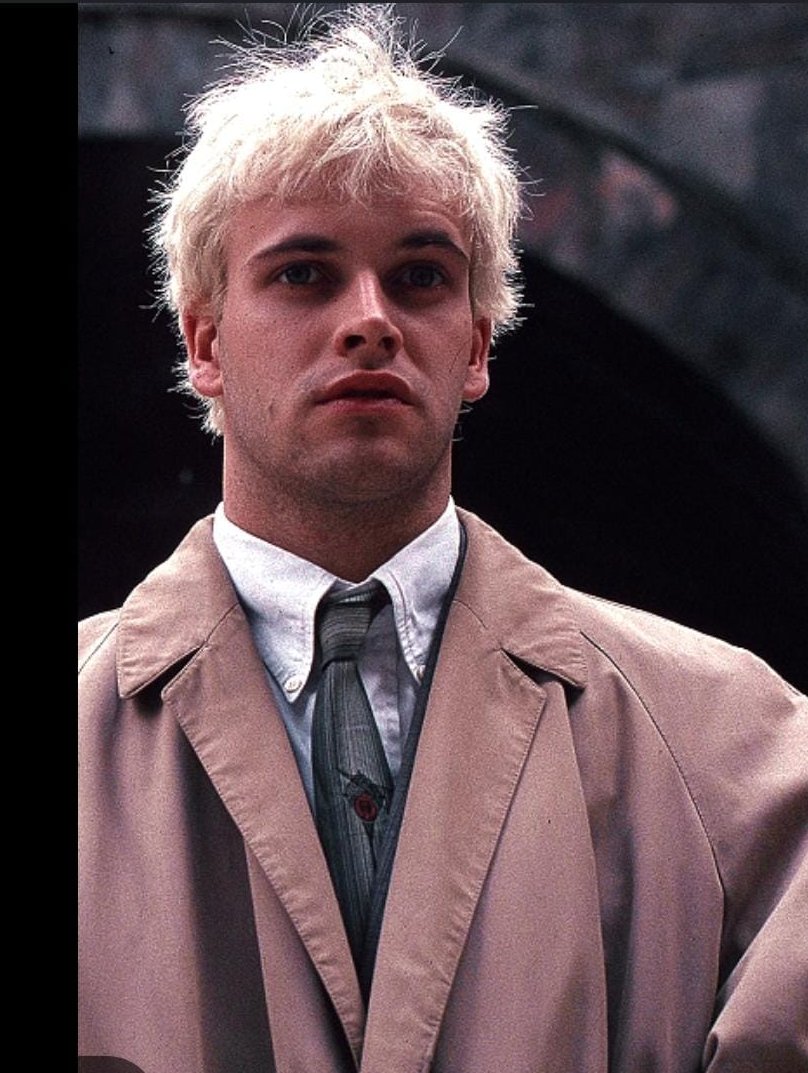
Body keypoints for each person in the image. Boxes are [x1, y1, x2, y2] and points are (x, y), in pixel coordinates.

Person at [78, 5, 808, 1071]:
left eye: (420, 275)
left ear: (475, 344)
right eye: (303, 273)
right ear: (205, 342)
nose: (369, 318)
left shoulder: (734, 752)